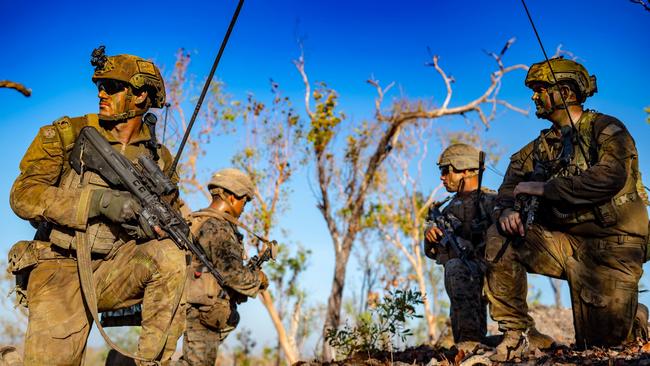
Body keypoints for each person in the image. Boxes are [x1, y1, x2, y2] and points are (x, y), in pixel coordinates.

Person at [8, 46, 186, 365]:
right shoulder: (66, 135)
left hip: (115, 269)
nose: (102, 92)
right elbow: (23, 195)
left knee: (170, 256)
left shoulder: (160, 158)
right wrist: (99, 201)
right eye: (99, 86)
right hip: (60, 264)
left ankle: (147, 362)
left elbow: (172, 215)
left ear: (141, 96)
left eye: (113, 87)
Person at [484, 57, 649, 361]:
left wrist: (546, 188)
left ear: (567, 93)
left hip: (613, 247)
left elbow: (610, 176)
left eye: (541, 89)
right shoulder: (538, 147)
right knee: (499, 238)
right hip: (564, 243)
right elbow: (509, 187)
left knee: (603, 349)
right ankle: (516, 335)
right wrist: (505, 211)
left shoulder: (606, 128)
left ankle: (634, 319)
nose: (535, 96)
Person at [424, 143, 552, 352]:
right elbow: (436, 253)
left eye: (445, 170)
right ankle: (469, 339)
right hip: (466, 274)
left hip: (497, 271)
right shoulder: (446, 210)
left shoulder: (494, 201)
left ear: (464, 169)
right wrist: (430, 238)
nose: (442, 177)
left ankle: (521, 334)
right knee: (455, 266)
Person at [174, 168, 268, 366]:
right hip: (202, 311)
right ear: (233, 197)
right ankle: (126, 364)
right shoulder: (217, 227)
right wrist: (259, 279)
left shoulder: (199, 220)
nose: (244, 208)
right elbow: (233, 274)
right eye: (245, 202)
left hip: (201, 308)